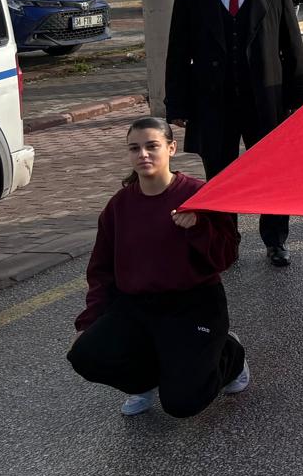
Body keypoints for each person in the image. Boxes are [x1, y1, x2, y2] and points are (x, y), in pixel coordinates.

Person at [68, 117, 249, 419]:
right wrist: (88, 323)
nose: (143, 155)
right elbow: (101, 272)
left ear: (171, 148)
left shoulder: (198, 195)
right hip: (137, 306)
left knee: (181, 404)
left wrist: (199, 227)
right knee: (85, 355)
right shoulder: (119, 206)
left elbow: (227, 257)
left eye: (152, 146)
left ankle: (230, 355)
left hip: (194, 305)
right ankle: (146, 381)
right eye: (134, 149)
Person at [166, 0, 303, 267]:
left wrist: (298, 102)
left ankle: (275, 240)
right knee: (220, 175)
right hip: (213, 103)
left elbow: (292, 50)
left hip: (265, 100)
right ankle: (226, 241)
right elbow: (177, 55)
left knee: (272, 173)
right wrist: (178, 105)